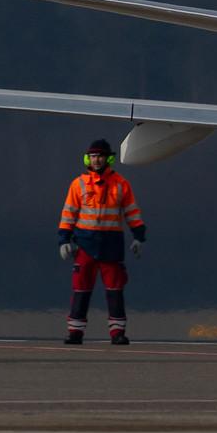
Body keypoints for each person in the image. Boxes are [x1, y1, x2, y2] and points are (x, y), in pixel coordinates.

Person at [57, 139, 146, 345]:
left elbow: (132, 212)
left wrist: (139, 237)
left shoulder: (121, 184)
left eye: (101, 156)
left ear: (108, 158)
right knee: (81, 289)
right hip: (85, 245)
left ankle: (117, 333)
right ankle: (75, 332)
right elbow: (68, 213)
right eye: (94, 156)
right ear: (88, 158)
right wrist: (64, 240)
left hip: (111, 245)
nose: (97, 160)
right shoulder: (78, 184)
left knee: (115, 290)